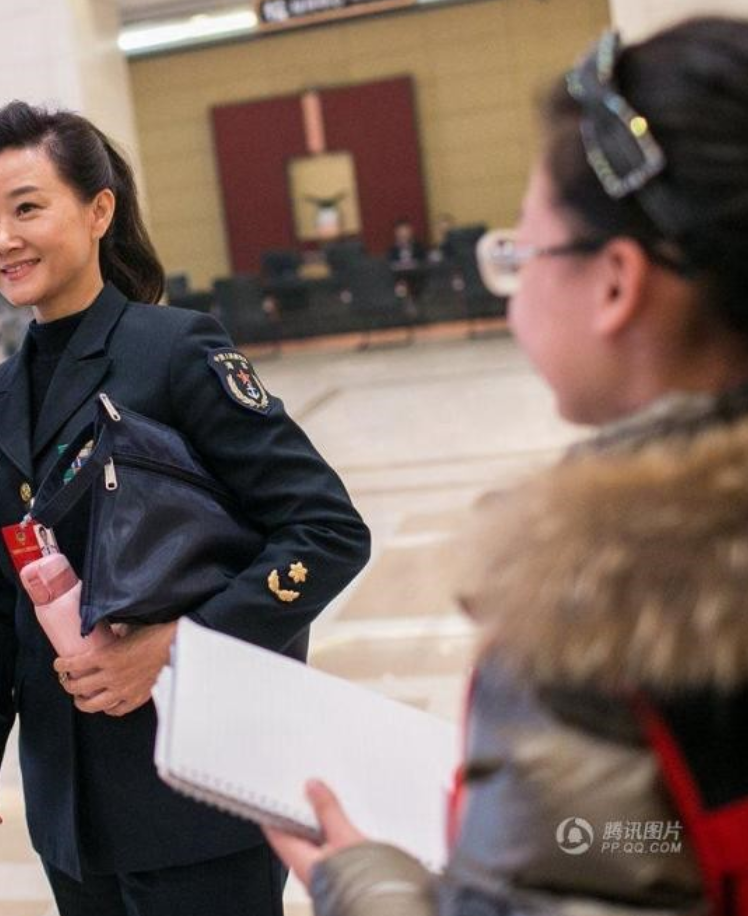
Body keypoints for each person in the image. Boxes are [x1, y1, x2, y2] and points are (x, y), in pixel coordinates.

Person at [268, 18, 748, 916]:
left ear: (615, 283)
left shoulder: (600, 626)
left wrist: (365, 882)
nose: (516, 282)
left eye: (522, 252)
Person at [0, 101, 372, 916]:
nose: (3, 240)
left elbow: (328, 531)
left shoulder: (173, 352)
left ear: (99, 211)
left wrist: (179, 646)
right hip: (71, 815)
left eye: (28, 208)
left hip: (200, 797)